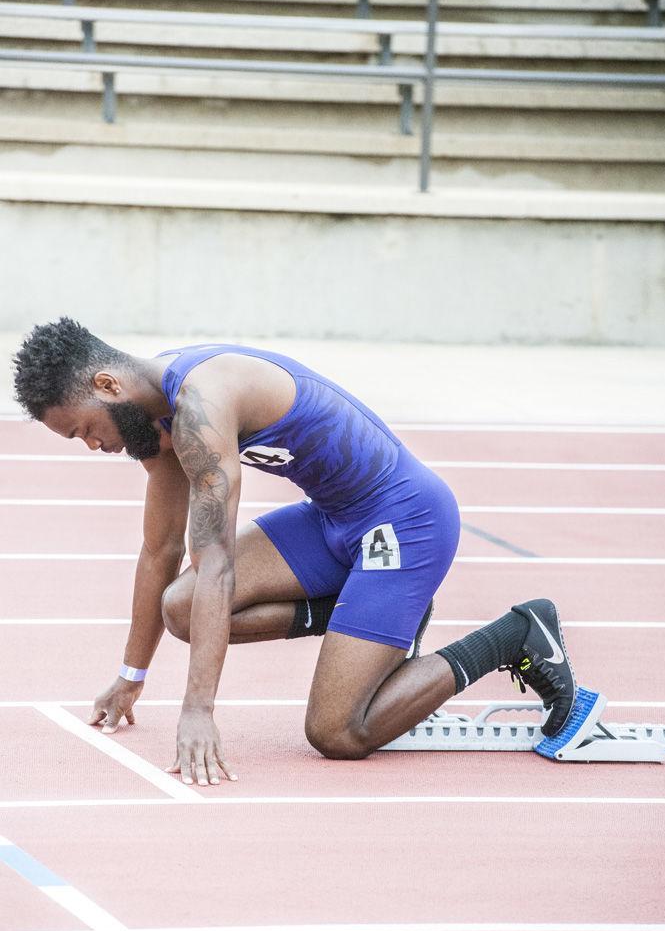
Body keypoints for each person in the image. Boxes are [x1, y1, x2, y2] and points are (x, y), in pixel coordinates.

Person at [13, 318, 576, 785]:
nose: (92, 446)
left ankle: (517, 634)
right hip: (332, 520)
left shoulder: (202, 404)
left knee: (339, 733)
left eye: (84, 430)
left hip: (405, 520)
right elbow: (159, 550)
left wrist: (197, 710)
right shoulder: (149, 421)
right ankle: (358, 610)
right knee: (179, 606)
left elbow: (217, 566)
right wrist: (131, 673)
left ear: (108, 385)